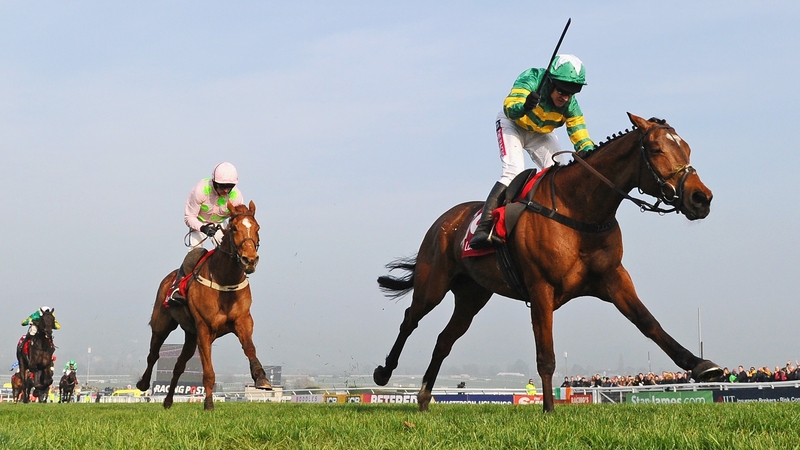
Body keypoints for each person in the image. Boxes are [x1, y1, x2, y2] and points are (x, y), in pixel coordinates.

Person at [470, 54, 595, 249]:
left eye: (571, 92)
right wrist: (525, 105)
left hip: (540, 133)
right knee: (513, 171)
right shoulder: (532, 77)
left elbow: (579, 131)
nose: (565, 97)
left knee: (560, 172)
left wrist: (589, 151)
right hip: (513, 124)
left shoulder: (570, 104)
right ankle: (483, 228)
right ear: (551, 82)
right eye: (562, 90)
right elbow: (510, 108)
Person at [168, 162, 244, 304]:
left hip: (220, 226)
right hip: (199, 224)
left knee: (232, 253)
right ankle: (177, 288)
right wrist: (203, 228)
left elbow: (237, 221)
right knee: (194, 254)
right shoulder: (201, 190)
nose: (226, 190)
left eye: (230, 187)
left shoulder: (236, 197)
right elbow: (189, 217)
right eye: (222, 186)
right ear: (214, 182)